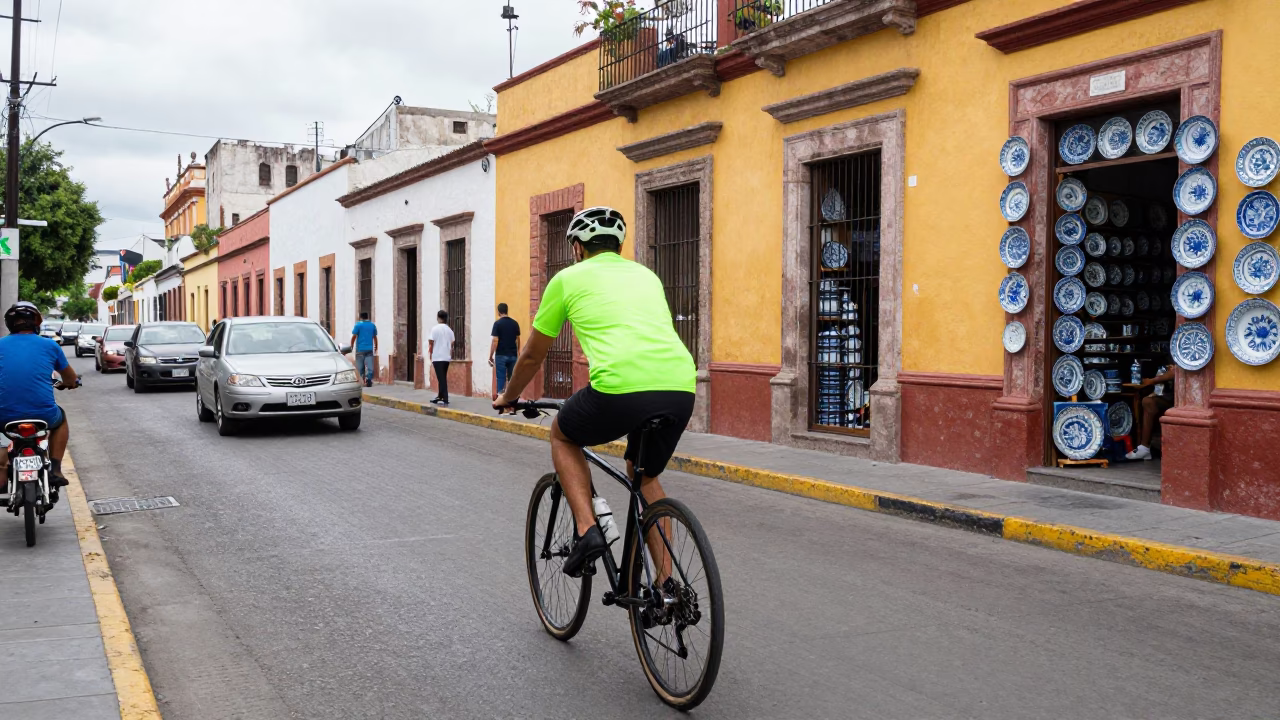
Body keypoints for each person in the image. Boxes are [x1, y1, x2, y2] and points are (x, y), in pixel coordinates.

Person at [494, 206, 696, 578]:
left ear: (576, 247)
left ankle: (588, 531)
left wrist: (508, 395)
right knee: (645, 475)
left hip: (620, 387)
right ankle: (668, 587)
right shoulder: (647, 276)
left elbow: (533, 354)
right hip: (680, 385)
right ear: (618, 245)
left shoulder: (568, 279)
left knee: (563, 434)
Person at [0, 302, 79, 491]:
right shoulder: (50, 345)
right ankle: (56, 469)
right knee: (61, 420)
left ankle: (2, 473)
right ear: (36, 322)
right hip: (44, 414)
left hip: (4, 415)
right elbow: (70, 378)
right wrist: (70, 383)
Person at [1126, 363, 1174, 461]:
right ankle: (1144, 448)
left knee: (1148, 401)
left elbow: (1176, 372)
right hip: (1167, 396)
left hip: (1184, 398)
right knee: (1147, 401)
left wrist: (1151, 381)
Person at [489, 303, 520, 414]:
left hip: (501, 355)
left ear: (499, 312)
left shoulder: (497, 324)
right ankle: (512, 406)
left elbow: (495, 341)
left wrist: (491, 355)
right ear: (507, 310)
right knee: (512, 381)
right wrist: (517, 352)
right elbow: (517, 340)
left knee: (501, 380)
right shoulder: (515, 323)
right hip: (513, 356)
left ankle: (501, 407)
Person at [427, 310, 455, 406]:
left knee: (441, 378)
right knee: (442, 376)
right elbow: (452, 342)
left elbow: (431, 341)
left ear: (438, 317)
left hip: (438, 357)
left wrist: (430, 352)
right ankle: (440, 396)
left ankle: (445, 398)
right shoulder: (449, 330)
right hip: (446, 357)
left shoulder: (435, 329)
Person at [350, 312, 378, 387]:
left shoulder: (358, 325)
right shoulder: (372, 325)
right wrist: (376, 346)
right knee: (370, 366)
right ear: (367, 317)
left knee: (360, 367)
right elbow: (374, 337)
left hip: (360, 349)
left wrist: (352, 345)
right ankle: (369, 379)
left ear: (361, 317)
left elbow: (354, 337)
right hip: (369, 349)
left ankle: (362, 379)